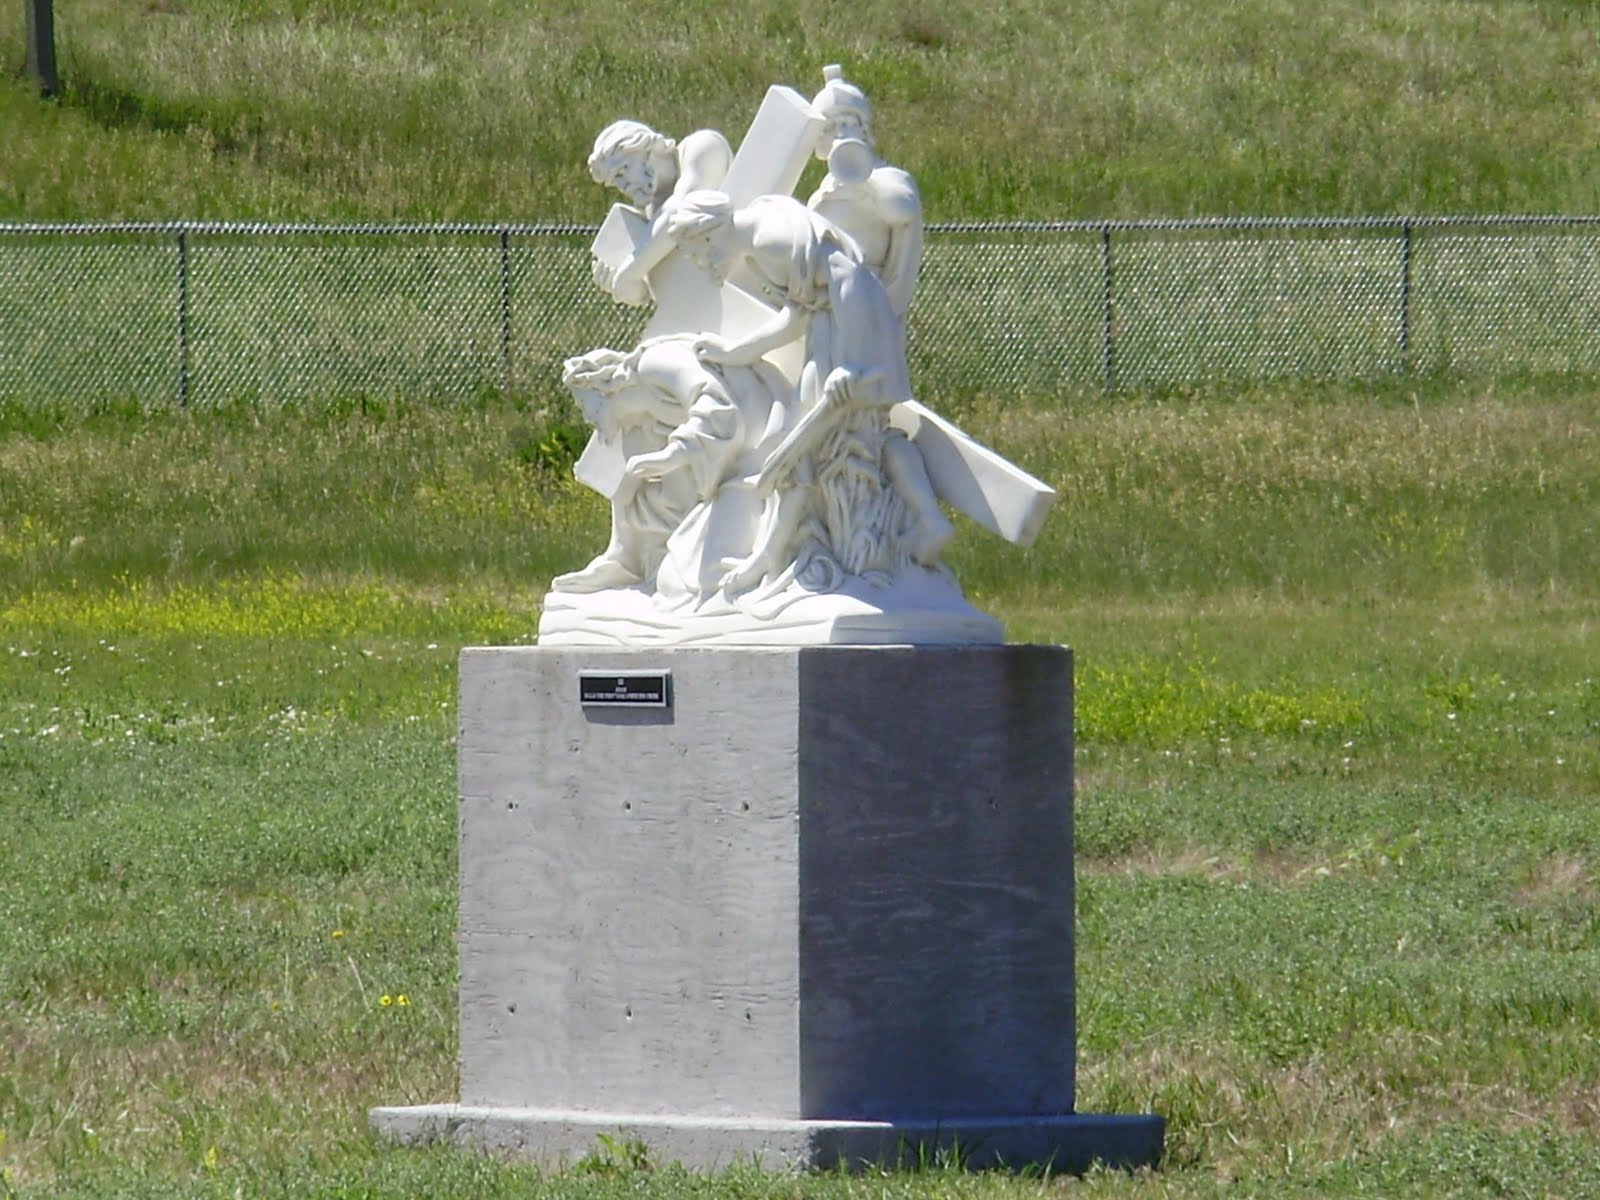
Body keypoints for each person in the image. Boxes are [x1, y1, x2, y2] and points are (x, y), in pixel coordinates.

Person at [806, 65, 923, 321]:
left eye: (846, 123)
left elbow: (902, 210)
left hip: (869, 296)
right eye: (829, 127)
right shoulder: (823, 191)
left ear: (863, 129)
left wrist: (863, 180)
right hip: (825, 300)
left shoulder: (886, 177)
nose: (838, 133)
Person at [586, 120, 733, 307]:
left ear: (643, 146)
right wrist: (626, 290)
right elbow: (661, 289)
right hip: (714, 303)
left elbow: (681, 210)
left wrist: (630, 271)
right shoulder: (652, 218)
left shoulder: (702, 146)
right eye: (616, 182)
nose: (624, 187)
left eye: (623, 171)